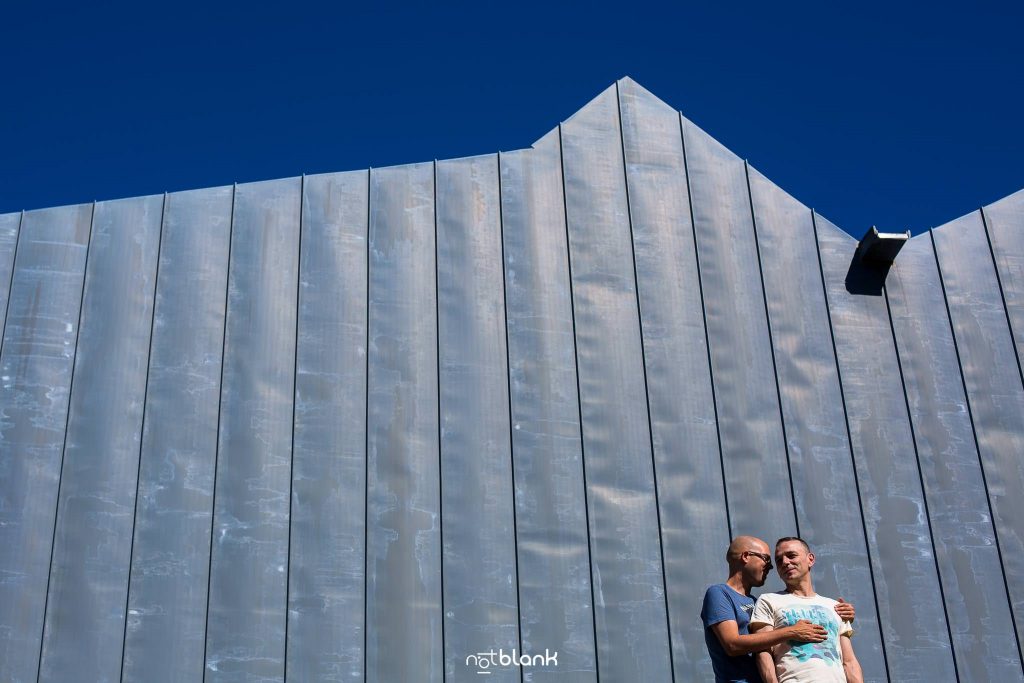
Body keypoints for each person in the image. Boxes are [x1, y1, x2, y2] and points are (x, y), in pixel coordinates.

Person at [701, 536, 855, 683]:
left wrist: (839, 614)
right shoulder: (720, 593)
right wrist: (792, 631)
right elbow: (732, 645)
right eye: (767, 559)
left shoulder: (756, 602)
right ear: (746, 556)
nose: (771, 567)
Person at [749, 537, 863, 683]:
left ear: (810, 559)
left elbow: (849, 661)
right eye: (779, 560)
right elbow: (762, 651)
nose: (785, 562)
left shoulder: (835, 606)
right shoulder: (768, 600)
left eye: (791, 556)